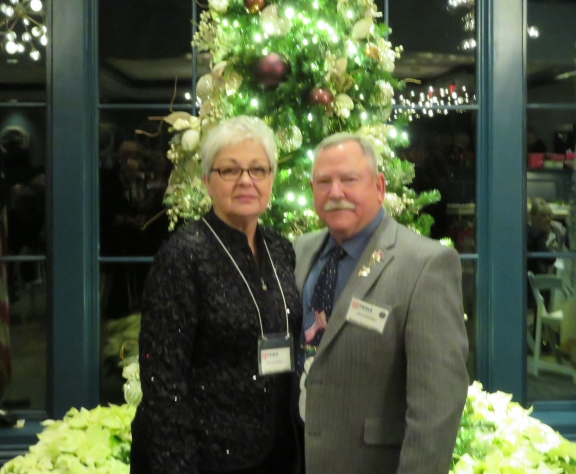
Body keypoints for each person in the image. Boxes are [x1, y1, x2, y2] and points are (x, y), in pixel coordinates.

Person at [130, 116, 302, 474]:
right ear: (208, 181)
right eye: (230, 170)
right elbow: (164, 381)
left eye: (258, 169)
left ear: (271, 178)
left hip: (277, 450)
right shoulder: (183, 256)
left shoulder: (280, 248)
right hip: (207, 456)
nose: (246, 181)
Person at [294, 133, 468, 474]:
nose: (336, 192)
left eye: (349, 179)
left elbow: (437, 407)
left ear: (379, 186)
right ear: (312, 189)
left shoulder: (426, 265)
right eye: (324, 182)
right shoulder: (300, 252)